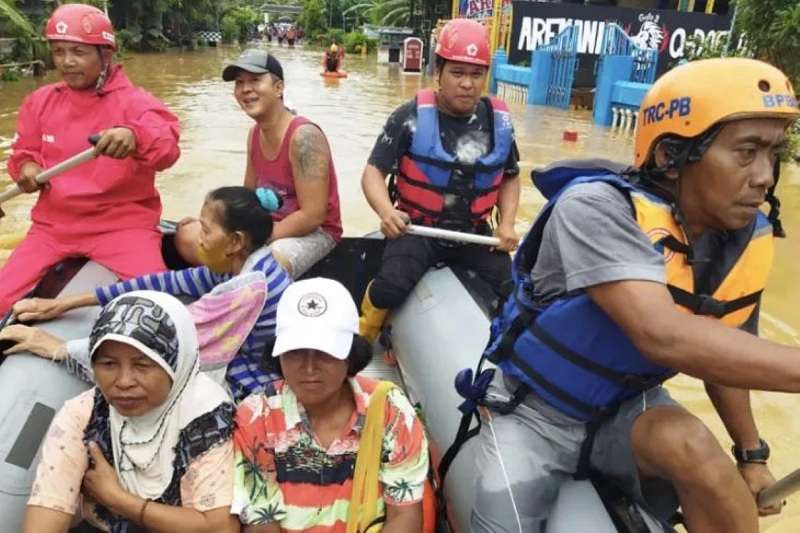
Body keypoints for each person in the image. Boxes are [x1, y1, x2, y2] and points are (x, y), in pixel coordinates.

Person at [469, 58, 800, 532]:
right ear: (670, 157)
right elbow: (661, 334)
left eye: (773, 154)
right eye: (747, 153)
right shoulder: (595, 208)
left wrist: (751, 456)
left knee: (700, 453)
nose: (766, 176)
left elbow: (727, 356)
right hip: (536, 412)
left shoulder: (741, 238)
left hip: (626, 408)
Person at [8, 186, 291, 401]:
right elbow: (169, 282)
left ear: (235, 240)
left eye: (205, 229)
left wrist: (58, 347)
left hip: (256, 381)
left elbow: (165, 336)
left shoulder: (246, 290)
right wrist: (68, 303)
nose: (199, 238)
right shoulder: (239, 262)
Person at [0, 3, 180, 316]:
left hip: (121, 225)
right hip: (53, 226)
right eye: (58, 51)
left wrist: (134, 136)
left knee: (155, 305)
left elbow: (167, 148)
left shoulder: (135, 102)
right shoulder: (39, 102)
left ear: (105, 55)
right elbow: (23, 153)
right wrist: (27, 168)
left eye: (78, 52)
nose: (66, 62)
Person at [359, 18, 521, 342]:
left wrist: (507, 224)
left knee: (516, 290)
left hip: (475, 235)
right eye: (457, 73)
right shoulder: (409, 116)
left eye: (476, 74)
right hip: (418, 230)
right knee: (391, 286)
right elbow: (373, 173)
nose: (467, 84)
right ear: (438, 72)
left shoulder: (498, 122)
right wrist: (386, 213)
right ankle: (363, 339)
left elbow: (510, 177)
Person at [21, 291, 237, 533]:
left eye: (143, 365)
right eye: (108, 364)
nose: (124, 382)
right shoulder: (85, 413)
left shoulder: (206, 418)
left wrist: (117, 499)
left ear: (176, 363)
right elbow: (47, 510)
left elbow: (220, 528)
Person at [231, 277, 429, 532]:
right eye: (296, 351)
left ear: (350, 354)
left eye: (325, 351)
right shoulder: (256, 416)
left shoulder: (390, 410)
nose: (310, 367)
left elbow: (403, 516)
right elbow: (262, 520)